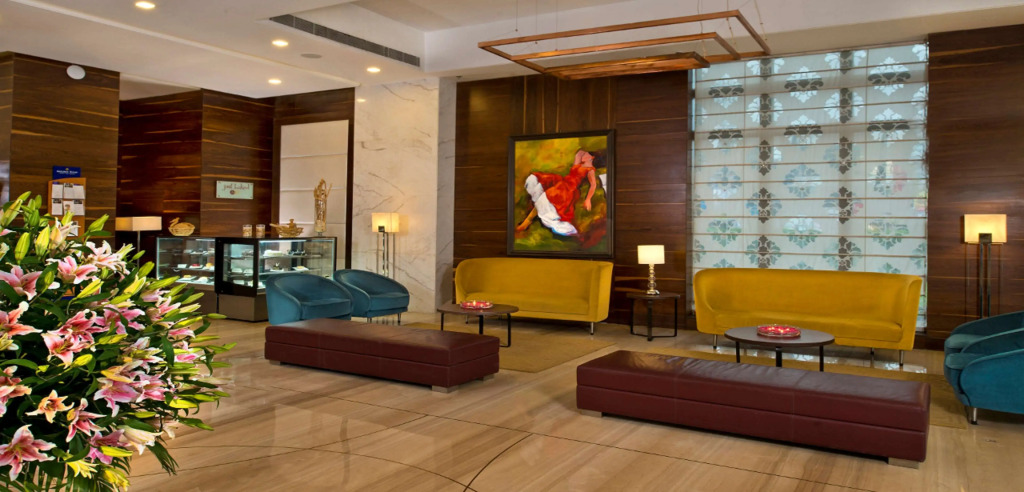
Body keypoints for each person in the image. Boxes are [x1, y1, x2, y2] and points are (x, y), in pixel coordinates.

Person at [516, 148, 606, 237]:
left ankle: (526, 223)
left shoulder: (590, 169)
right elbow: (579, 152)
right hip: (563, 183)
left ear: (592, 157)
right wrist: (586, 155)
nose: (584, 154)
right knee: (542, 198)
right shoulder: (580, 163)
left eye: (586, 154)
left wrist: (588, 199)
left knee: (544, 200)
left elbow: (593, 185)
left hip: (568, 189)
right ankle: (526, 223)